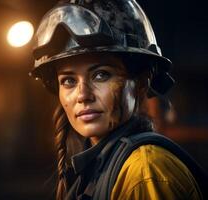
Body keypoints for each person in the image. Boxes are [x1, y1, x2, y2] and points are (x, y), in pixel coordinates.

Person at [30, 0, 207, 199]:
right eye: (69, 81)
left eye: (101, 75)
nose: (82, 95)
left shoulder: (146, 171)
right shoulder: (100, 168)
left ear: (141, 83)